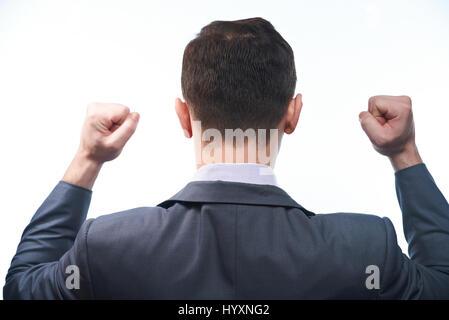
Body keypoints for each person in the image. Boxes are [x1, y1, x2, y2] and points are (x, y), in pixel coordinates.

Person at [4, 17, 449, 299]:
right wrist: (403, 152)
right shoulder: (364, 249)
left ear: (183, 116)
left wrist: (87, 159)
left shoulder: (106, 246)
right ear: (292, 114)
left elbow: (21, 289)